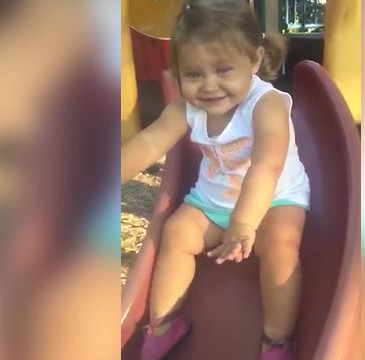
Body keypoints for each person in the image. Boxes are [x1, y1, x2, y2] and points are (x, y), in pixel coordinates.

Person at [121, 1, 310, 358]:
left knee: (282, 249)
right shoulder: (186, 109)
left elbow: (267, 166)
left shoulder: (266, 105)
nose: (209, 85)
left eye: (224, 70)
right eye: (193, 74)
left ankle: (276, 338)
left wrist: (243, 222)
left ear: (254, 61)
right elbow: (149, 143)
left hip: (274, 199)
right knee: (175, 232)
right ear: (178, 72)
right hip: (212, 199)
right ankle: (164, 323)